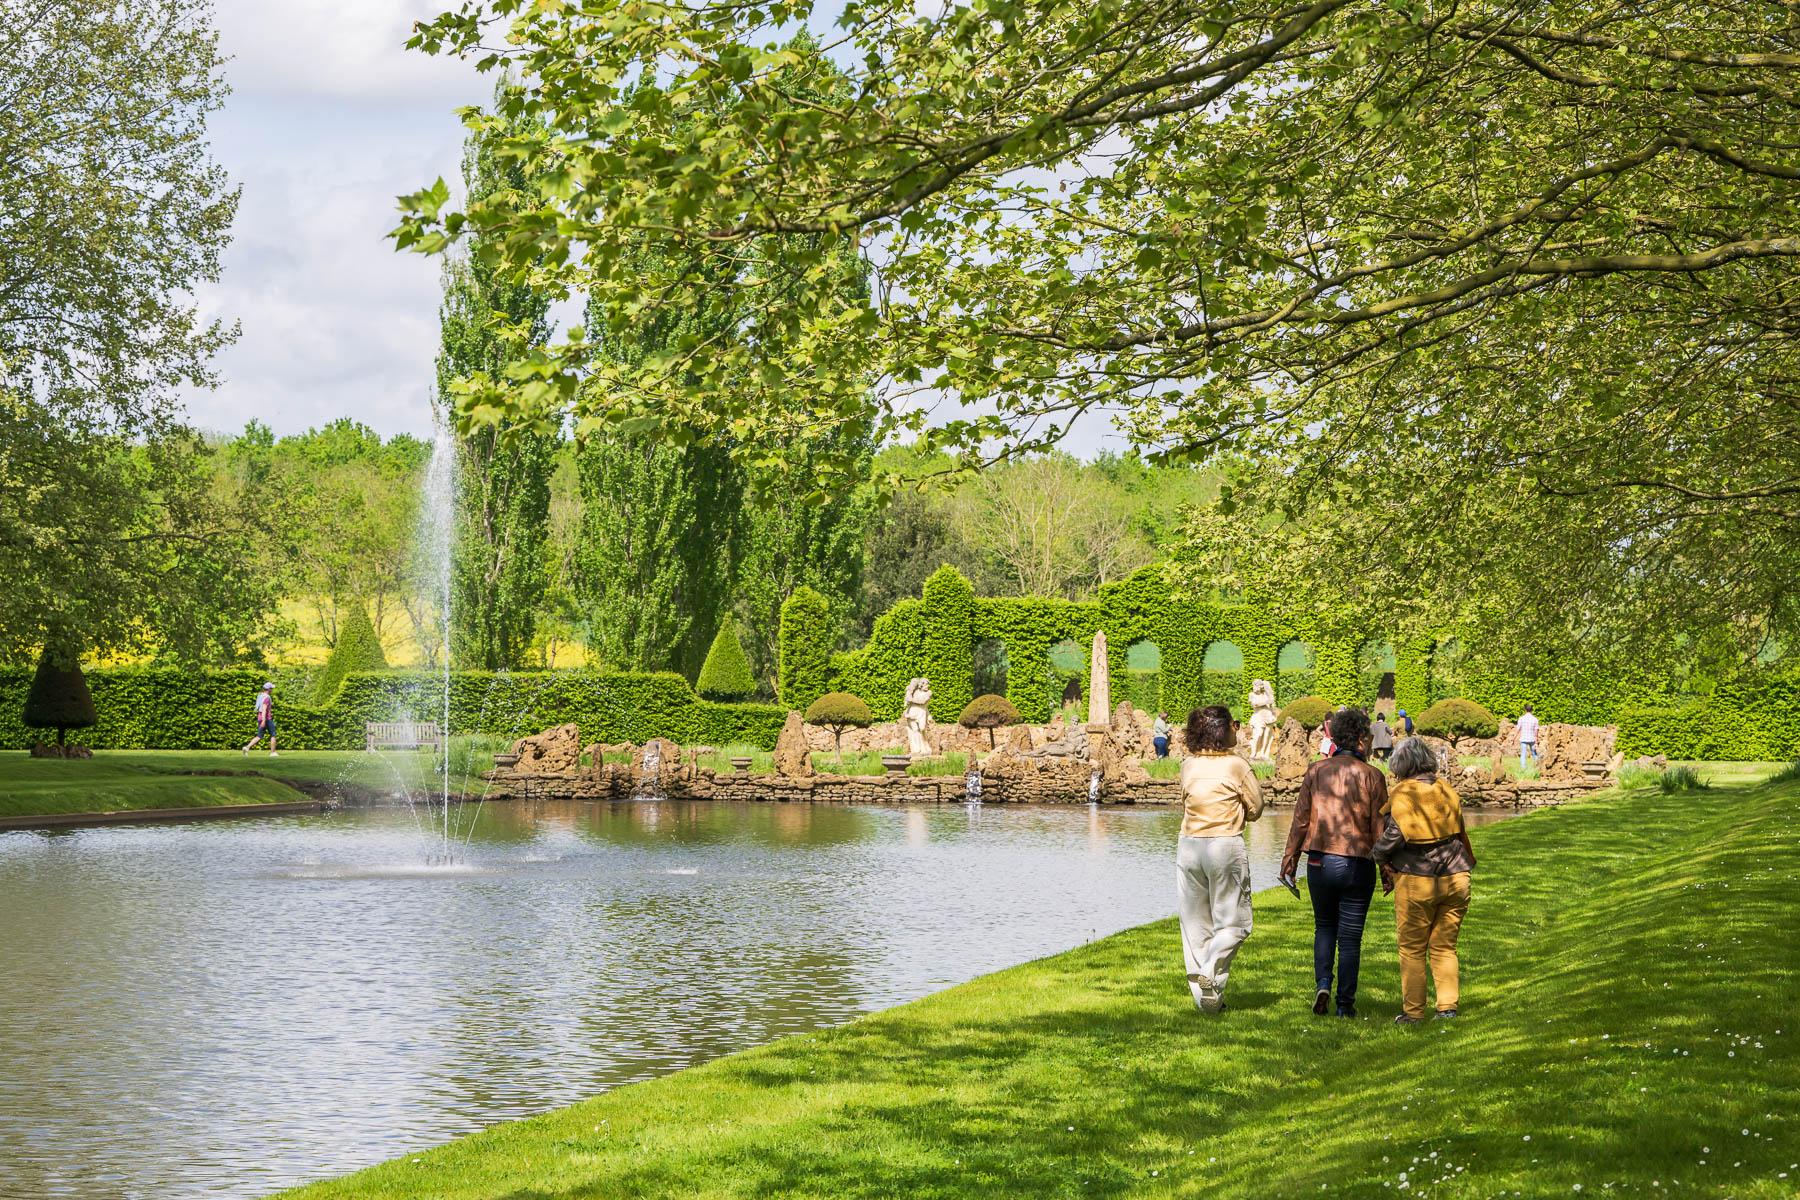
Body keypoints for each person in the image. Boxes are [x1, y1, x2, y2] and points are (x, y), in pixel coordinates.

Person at [1280, 707, 1387, 1017]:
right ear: (1361, 739)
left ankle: (1323, 983)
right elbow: (1380, 829)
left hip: (1320, 860)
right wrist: (1388, 870)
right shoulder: (1373, 776)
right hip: (1357, 863)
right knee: (1350, 938)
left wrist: (1289, 859)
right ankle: (1345, 1005)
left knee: (1324, 926)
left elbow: (1301, 820)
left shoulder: (1316, 771)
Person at [1374, 737, 1476, 1023]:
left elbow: (1394, 835)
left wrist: (1377, 855)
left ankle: (1413, 1013)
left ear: (1400, 765)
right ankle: (1447, 1008)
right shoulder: (1447, 789)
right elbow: (1459, 831)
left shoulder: (1403, 794)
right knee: (1445, 946)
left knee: (1412, 949)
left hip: (1417, 878)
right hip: (1457, 876)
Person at [1175, 705, 1265, 1014]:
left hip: (1189, 846)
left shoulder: (1188, 765)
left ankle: (1208, 1004)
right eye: (1233, 724)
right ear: (1221, 730)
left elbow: (1185, 801)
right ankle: (1211, 971)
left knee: (1195, 926)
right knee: (1235, 923)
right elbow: (1256, 808)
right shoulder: (1236, 765)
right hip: (1224, 845)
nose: (1237, 729)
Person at [243, 682, 279, 756]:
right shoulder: (267, 698)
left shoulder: (260, 695)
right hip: (266, 719)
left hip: (260, 718)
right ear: (268, 689)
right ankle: (273, 752)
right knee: (273, 735)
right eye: (271, 688)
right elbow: (264, 709)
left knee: (259, 736)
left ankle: (247, 747)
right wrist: (264, 720)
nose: (272, 690)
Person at [1517, 704, 1540, 770]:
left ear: (1525, 710)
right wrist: (1536, 740)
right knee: (1534, 754)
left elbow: (1518, 729)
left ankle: (1523, 768)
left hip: (1523, 738)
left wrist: (1513, 738)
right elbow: (1536, 731)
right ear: (1532, 710)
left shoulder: (1521, 718)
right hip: (1532, 739)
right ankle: (1537, 766)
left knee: (1523, 754)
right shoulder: (1535, 719)